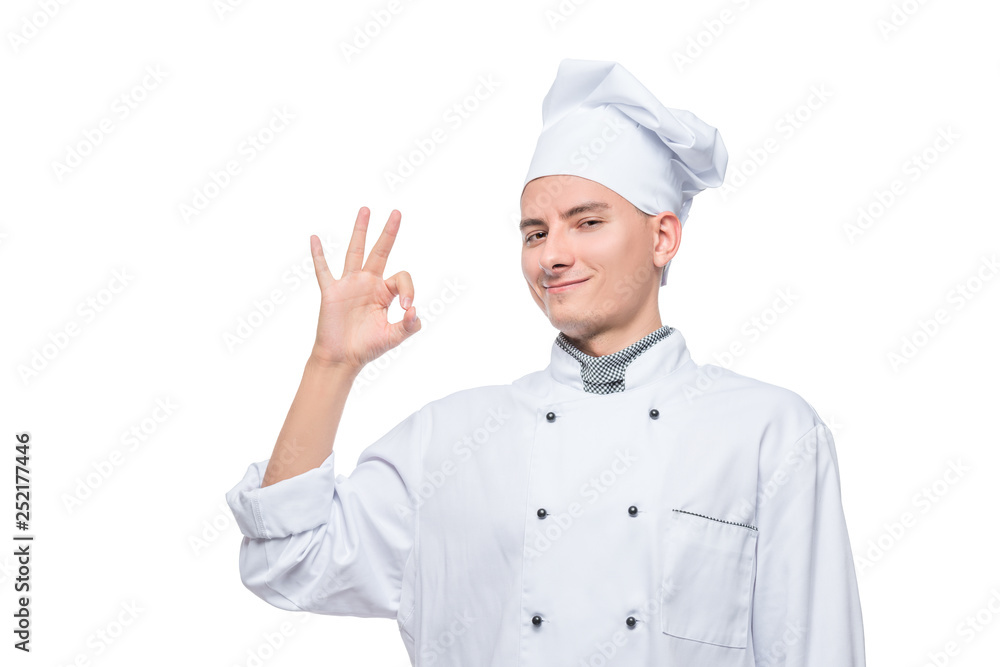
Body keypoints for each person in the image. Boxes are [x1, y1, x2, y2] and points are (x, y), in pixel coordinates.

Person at [226, 58, 866, 666]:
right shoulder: (450, 440)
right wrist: (330, 363)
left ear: (662, 237)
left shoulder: (768, 434)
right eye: (535, 232)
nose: (551, 255)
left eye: (586, 223)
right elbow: (287, 559)